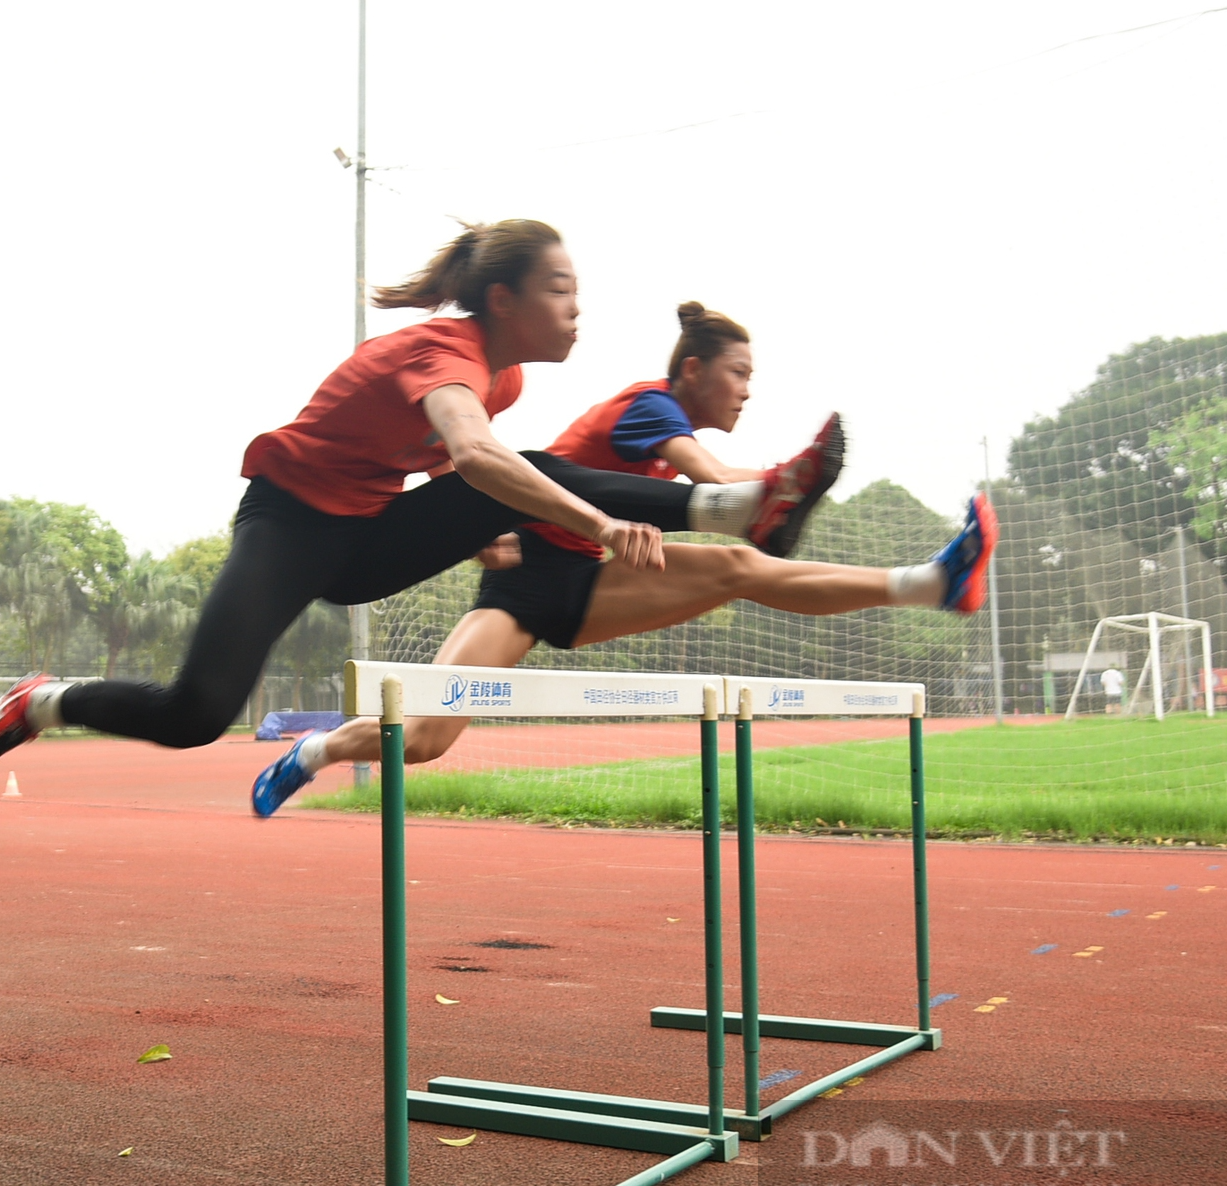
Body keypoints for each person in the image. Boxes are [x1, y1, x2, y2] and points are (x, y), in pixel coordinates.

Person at [0, 222, 839, 777]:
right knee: (194, 716)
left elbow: (453, 471)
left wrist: (484, 523)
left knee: (512, 472)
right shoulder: (441, 355)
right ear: (504, 298)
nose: (578, 310)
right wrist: (600, 523)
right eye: (561, 291)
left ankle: (741, 507)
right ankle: (38, 702)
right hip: (291, 526)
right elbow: (471, 455)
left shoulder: (507, 380)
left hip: (369, 538)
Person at [250, 302, 999, 816]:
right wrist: (786, 481)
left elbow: (729, 490)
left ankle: (933, 581)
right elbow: (717, 481)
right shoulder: (650, 407)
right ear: (695, 369)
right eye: (738, 374)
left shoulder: (668, 420)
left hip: (589, 577)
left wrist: (788, 485)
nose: (745, 390)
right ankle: (310, 752)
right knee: (424, 734)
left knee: (737, 571)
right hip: (527, 582)